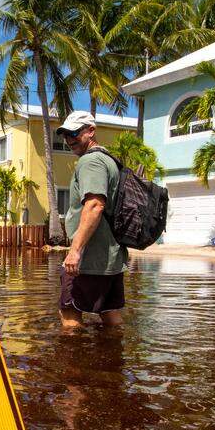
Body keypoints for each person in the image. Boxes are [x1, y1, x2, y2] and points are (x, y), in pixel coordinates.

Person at [55, 111, 127, 330]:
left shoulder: (91, 161)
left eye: (74, 133)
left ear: (91, 131)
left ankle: (74, 364)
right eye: (65, 135)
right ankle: (115, 362)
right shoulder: (109, 160)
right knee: (110, 314)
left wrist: (75, 250)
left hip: (89, 258)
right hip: (110, 258)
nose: (69, 140)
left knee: (69, 313)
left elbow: (95, 205)